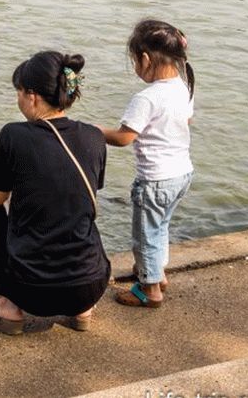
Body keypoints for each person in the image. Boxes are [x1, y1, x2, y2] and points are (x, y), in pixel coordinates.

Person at [0, 51, 110, 335]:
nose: (18, 99)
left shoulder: (14, 135)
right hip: (91, 286)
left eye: (19, 92)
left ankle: (8, 306)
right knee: (75, 212)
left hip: (31, 291)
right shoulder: (94, 137)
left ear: (32, 96)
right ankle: (82, 311)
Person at [100, 20, 194, 308]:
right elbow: (186, 120)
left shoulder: (147, 98)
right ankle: (157, 273)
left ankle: (150, 290)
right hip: (181, 173)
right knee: (160, 226)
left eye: (134, 61)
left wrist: (93, 130)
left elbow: (124, 137)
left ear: (145, 59)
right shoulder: (183, 86)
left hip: (154, 179)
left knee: (145, 236)